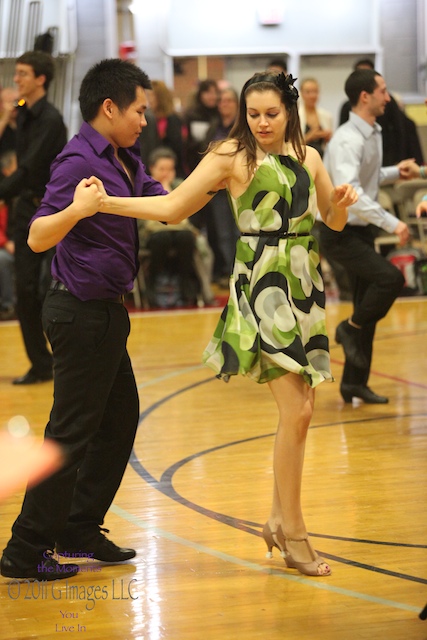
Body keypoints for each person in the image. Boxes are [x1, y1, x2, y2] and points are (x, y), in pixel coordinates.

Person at [85, 70, 358, 577]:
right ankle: (294, 532)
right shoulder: (232, 157)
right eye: (252, 114)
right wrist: (105, 203)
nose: (261, 123)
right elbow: (172, 207)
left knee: (303, 409)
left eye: (271, 114)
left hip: (303, 286)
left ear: (289, 112)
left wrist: (339, 207)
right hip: (263, 286)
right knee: (296, 411)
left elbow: (330, 220)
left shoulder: (309, 156)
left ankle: (279, 519)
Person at [0, 57, 167, 581]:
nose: (145, 120)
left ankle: (76, 528)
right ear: (109, 107)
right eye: (139, 110)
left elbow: (163, 204)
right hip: (79, 314)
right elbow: (35, 235)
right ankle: (23, 551)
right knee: (69, 435)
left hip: (106, 317)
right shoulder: (77, 160)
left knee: (117, 422)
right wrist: (77, 210)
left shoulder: (125, 157)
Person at [319, 68, 419, 405]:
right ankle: (349, 328)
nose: (387, 98)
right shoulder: (348, 138)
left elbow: (369, 175)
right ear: (366, 96)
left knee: (367, 305)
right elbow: (352, 192)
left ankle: (353, 383)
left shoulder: (370, 132)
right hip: (339, 231)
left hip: (360, 231)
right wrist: (395, 224)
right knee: (389, 279)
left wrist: (395, 171)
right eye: (383, 91)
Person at [0, 51, 68, 385]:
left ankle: (62, 359)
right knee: (24, 290)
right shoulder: (23, 113)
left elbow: (28, 168)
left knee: (51, 289)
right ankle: (41, 364)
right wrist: (5, 119)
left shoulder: (51, 119)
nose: (17, 80)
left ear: (41, 79)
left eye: (23, 74)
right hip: (23, 209)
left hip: (49, 209)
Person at [139, 147, 213, 307]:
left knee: (185, 237)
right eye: (162, 169)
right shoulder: (144, 186)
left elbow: (185, 219)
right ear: (152, 168)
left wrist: (169, 188)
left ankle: (186, 284)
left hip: (180, 232)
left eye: (170, 169)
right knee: (162, 238)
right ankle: (154, 282)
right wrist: (163, 189)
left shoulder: (180, 184)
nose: (166, 173)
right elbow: (148, 220)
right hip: (154, 234)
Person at [339, 59, 424, 166]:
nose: (387, 98)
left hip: (388, 161)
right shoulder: (346, 140)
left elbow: (401, 130)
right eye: (382, 92)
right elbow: (350, 181)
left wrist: (398, 167)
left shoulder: (376, 131)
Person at [203, 87, 240, 284]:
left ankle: (242, 270)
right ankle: (229, 270)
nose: (224, 104)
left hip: (239, 186)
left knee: (240, 230)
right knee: (223, 233)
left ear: (237, 104)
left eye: (228, 100)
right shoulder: (213, 126)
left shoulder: (243, 127)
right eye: (221, 101)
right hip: (217, 188)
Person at [139, 79, 187, 178]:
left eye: (153, 95)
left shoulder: (172, 119)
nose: (150, 99)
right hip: (150, 166)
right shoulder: (146, 116)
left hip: (168, 167)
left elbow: (176, 146)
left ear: (161, 97)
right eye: (148, 96)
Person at [0, 150, 17, 319]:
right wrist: (6, 243)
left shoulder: (26, 194)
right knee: (2, 259)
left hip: (25, 243)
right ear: (6, 171)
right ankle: (8, 305)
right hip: (5, 245)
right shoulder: (3, 194)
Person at [298, 77, 333, 158]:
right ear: (301, 93)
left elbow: (329, 144)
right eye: (308, 92)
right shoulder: (296, 116)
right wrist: (309, 136)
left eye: (315, 92)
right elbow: (289, 145)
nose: (312, 96)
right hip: (301, 159)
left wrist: (328, 137)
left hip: (322, 158)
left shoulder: (326, 116)